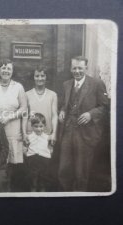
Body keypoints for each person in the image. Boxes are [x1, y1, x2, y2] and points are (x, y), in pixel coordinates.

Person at [58, 56, 109, 191]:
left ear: (86, 68)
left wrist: (90, 114)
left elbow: (104, 107)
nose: (77, 71)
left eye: (80, 68)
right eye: (74, 68)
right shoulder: (66, 84)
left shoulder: (96, 84)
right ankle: (66, 196)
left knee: (81, 170)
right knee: (64, 168)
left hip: (85, 133)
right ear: (70, 68)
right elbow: (64, 104)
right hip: (68, 131)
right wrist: (62, 110)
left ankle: (79, 198)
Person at [0, 58, 28, 191]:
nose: (6, 71)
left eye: (9, 69)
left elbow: (24, 108)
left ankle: (9, 190)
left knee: (12, 160)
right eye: (3, 68)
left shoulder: (18, 87)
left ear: (12, 71)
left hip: (13, 126)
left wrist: (9, 118)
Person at [26, 66, 58, 145]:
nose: (40, 78)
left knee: (46, 156)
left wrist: (54, 133)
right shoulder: (26, 95)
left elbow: (54, 115)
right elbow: (24, 117)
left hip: (46, 135)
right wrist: (24, 134)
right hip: (31, 135)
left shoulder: (52, 95)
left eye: (42, 76)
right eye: (37, 76)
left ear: (46, 77)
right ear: (33, 77)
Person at [25, 113, 53, 192]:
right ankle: (32, 193)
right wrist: (28, 154)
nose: (38, 129)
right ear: (32, 126)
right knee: (33, 179)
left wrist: (49, 153)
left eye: (41, 126)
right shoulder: (29, 137)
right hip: (32, 160)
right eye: (36, 126)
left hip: (44, 161)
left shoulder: (47, 137)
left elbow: (50, 149)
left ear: (44, 126)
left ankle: (42, 194)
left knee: (43, 180)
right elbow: (26, 148)